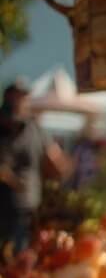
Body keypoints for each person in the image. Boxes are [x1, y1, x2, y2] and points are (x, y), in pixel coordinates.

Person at [0, 79, 67, 252]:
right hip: (5, 206)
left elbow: (56, 160)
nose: (19, 102)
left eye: (23, 97)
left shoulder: (34, 128)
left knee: (20, 257)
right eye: (16, 97)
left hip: (29, 207)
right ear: (7, 98)